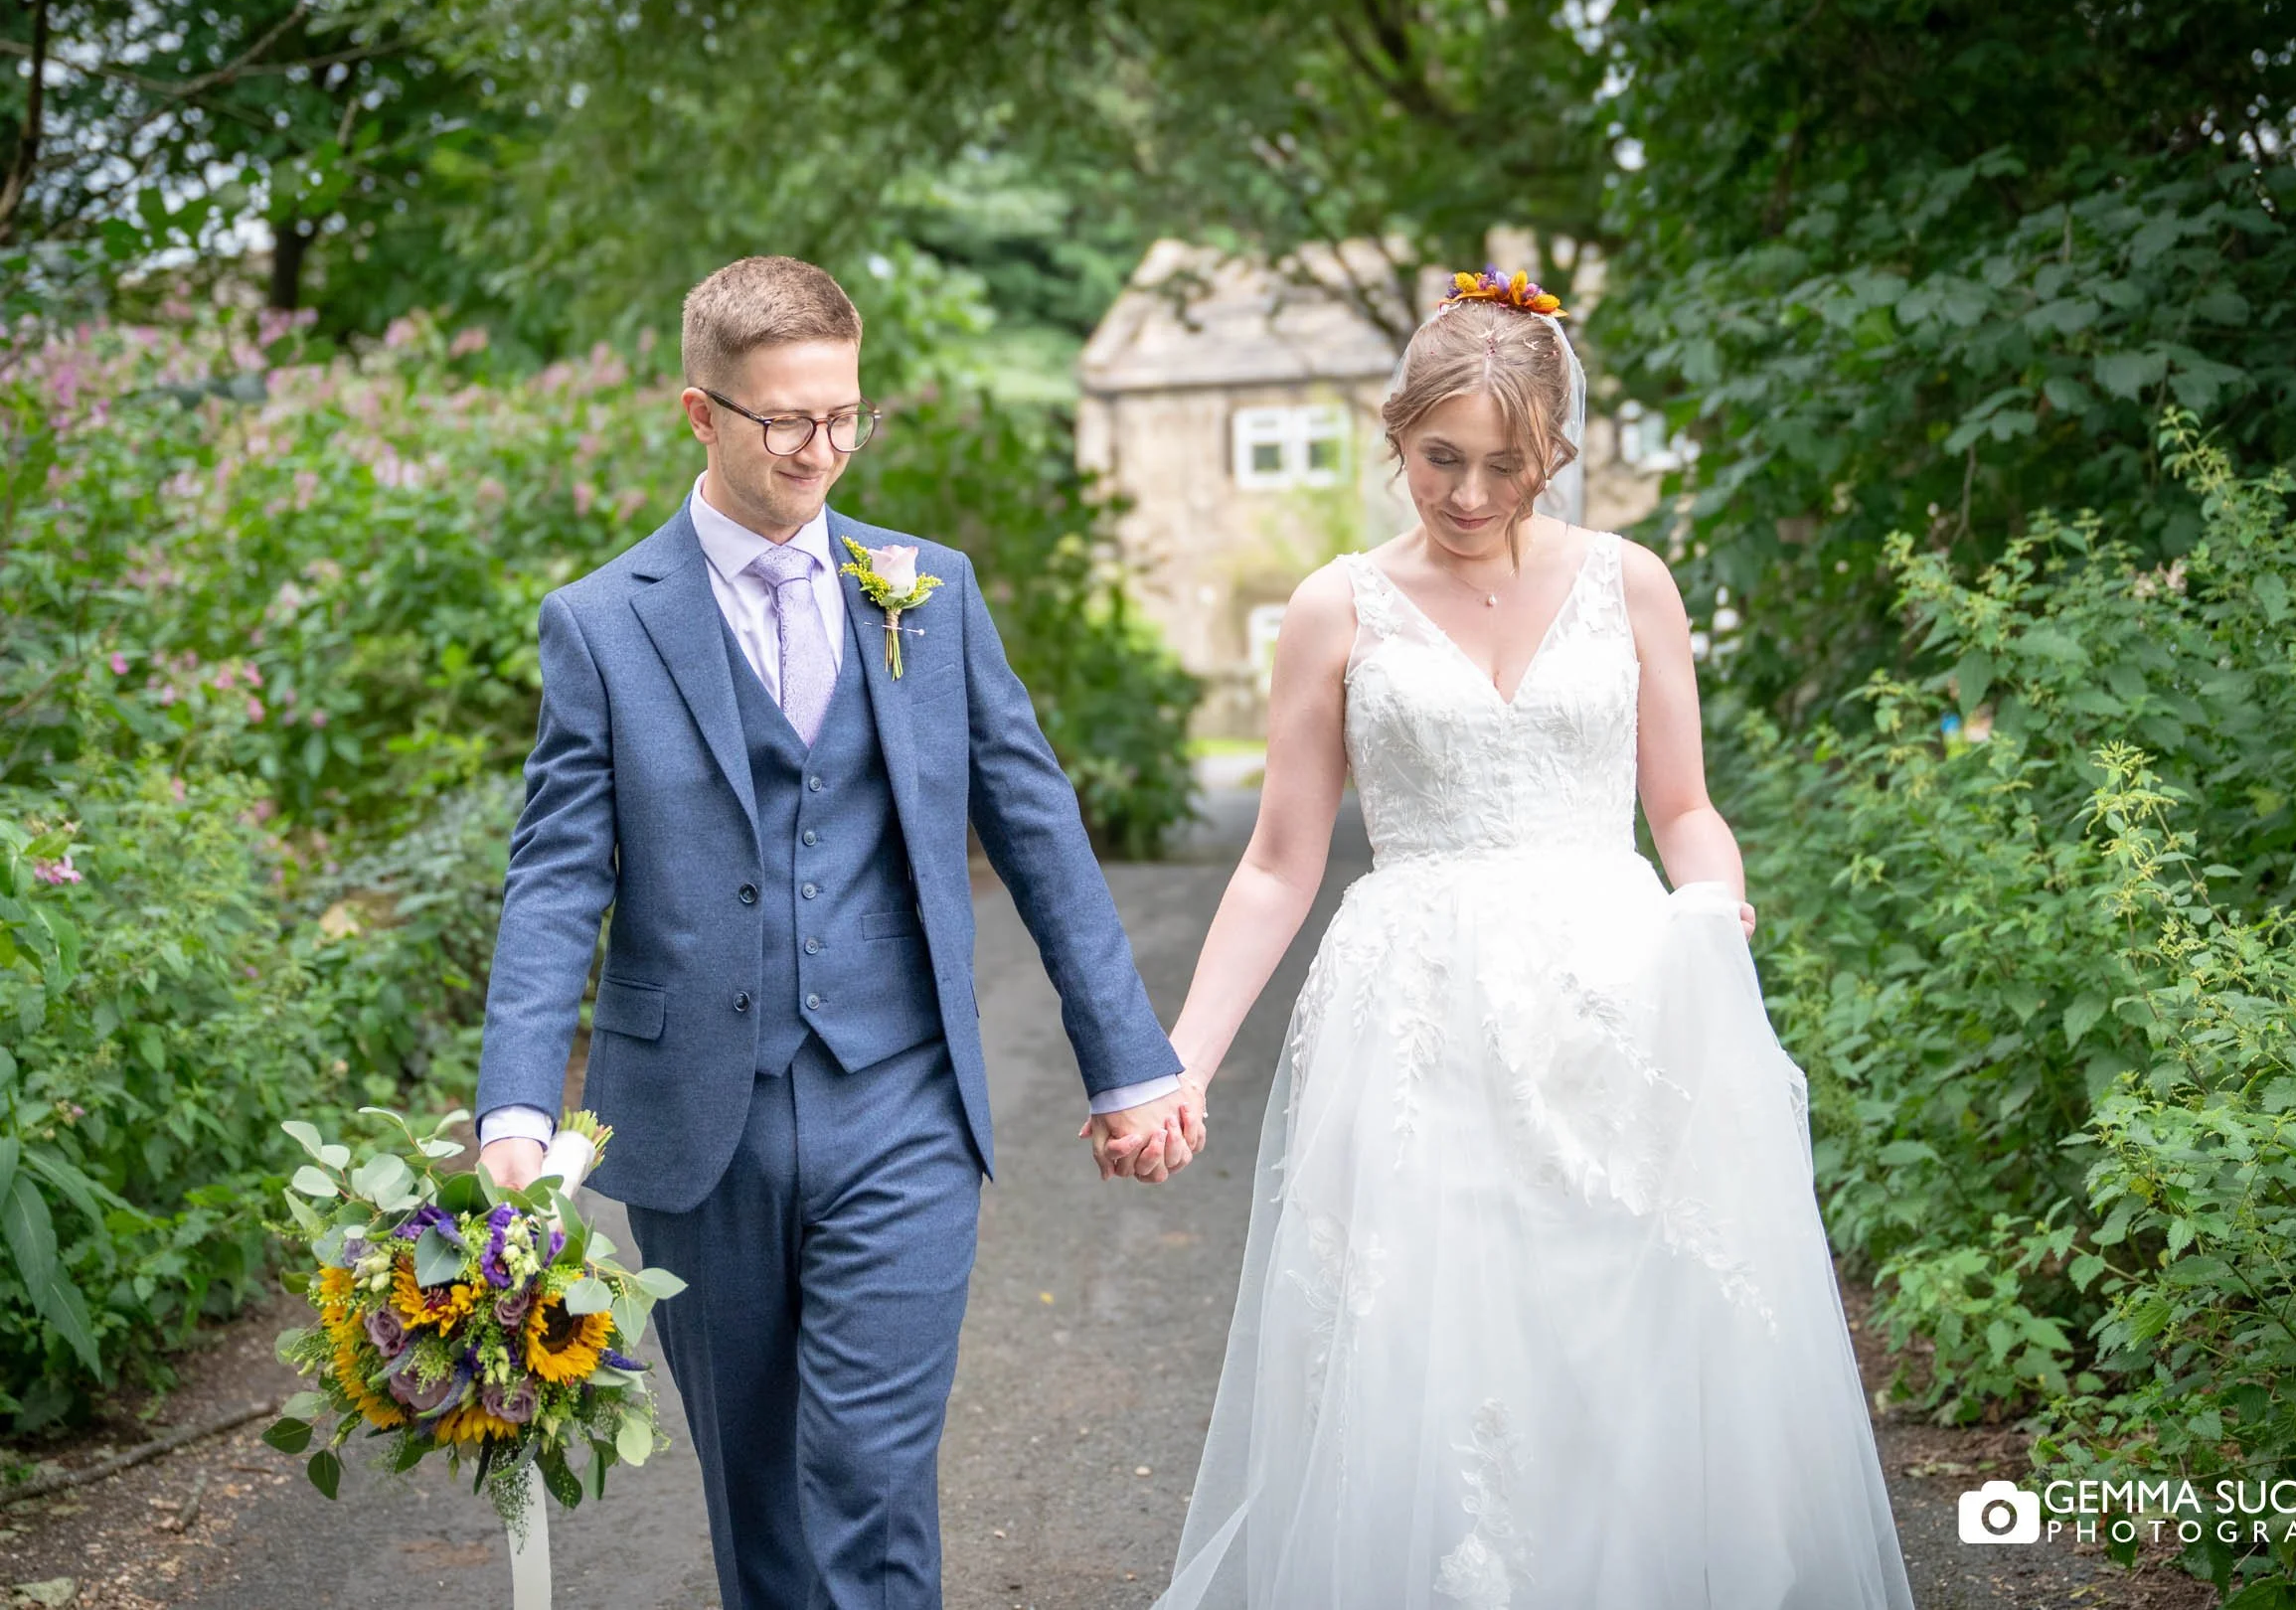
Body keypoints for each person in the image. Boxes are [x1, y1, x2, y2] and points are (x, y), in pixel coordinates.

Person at [1150, 268, 1916, 1607]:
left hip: (1611, 989)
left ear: (1556, 453)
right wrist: (1186, 1059)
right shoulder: (1335, 606)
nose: (1467, 494)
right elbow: (1279, 860)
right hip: (1414, 1019)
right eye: (1439, 458)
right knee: (1429, 1351)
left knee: (1614, 1328)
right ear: (1396, 434)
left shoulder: (1633, 583)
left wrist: (1712, 908)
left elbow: (1682, 808)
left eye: (1507, 465)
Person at [470, 254, 1201, 1610]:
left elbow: (1036, 827)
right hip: (697, 1125)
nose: (823, 449)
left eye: (846, 416)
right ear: (701, 412)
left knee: (865, 1476)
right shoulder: (601, 626)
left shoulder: (929, 588)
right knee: (758, 1500)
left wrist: (1130, 1059)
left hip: (902, 1101)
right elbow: (558, 873)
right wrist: (517, 1102)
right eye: (786, 421)